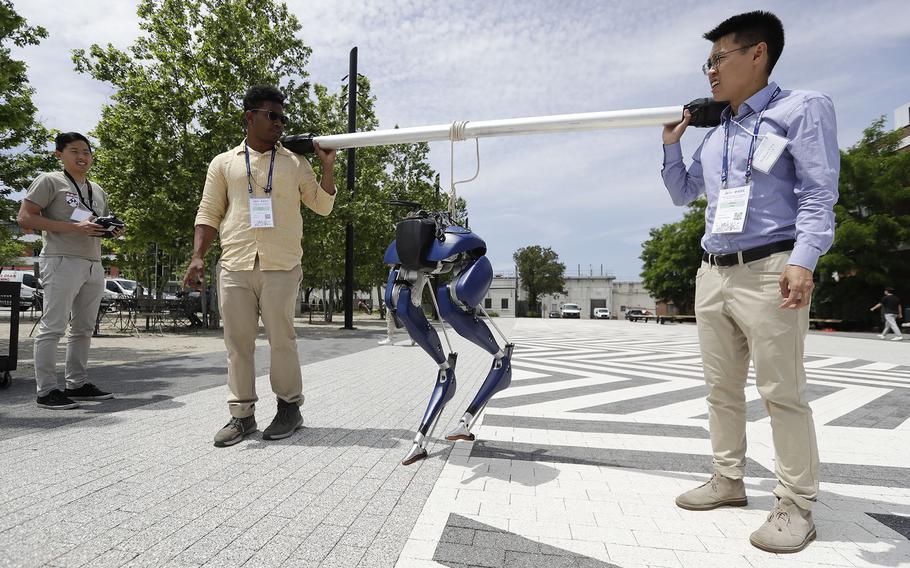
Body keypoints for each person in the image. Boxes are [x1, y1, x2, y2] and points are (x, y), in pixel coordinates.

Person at [660, 11, 839, 553]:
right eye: (708, 61)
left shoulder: (801, 109)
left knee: (781, 391)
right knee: (720, 389)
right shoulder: (719, 133)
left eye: (719, 58)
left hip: (770, 268)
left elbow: (818, 192)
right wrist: (673, 144)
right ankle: (728, 479)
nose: (710, 70)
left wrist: (803, 259)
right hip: (713, 272)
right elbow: (683, 193)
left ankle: (796, 503)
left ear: (757, 54)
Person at [184, 85, 337, 447]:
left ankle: (289, 408)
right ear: (250, 117)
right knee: (237, 344)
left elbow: (323, 205)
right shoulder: (223, 163)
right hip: (235, 261)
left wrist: (327, 167)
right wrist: (197, 256)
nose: (280, 124)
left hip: (281, 264)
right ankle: (242, 416)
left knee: (282, 340)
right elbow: (208, 212)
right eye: (273, 116)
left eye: (283, 118)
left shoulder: (295, 163)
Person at [18, 132, 123, 409]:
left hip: (93, 262)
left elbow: (93, 222)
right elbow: (25, 218)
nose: (82, 157)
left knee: (84, 328)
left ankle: (76, 383)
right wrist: (74, 228)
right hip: (61, 258)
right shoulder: (50, 181)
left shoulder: (97, 189)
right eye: (75, 151)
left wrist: (112, 229)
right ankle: (46, 390)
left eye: (87, 152)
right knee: (53, 326)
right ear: (59, 154)